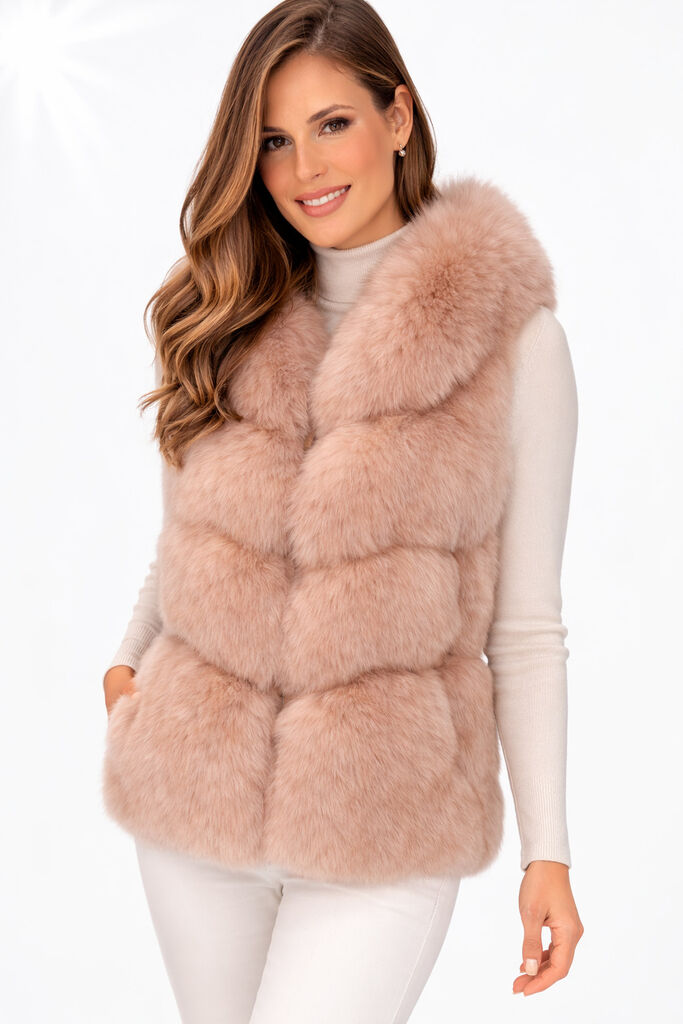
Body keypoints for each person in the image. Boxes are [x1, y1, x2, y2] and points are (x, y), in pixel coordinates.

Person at [101, 1, 584, 1020]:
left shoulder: (511, 343)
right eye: (273, 140)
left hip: (385, 823)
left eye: (332, 124)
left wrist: (546, 853)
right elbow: (180, 543)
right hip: (195, 803)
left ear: (396, 118)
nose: (304, 168)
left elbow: (526, 626)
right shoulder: (223, 317)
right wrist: (127, 666)